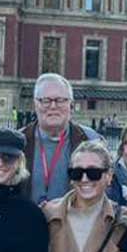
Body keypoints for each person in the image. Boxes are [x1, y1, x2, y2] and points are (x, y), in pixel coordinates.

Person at [23, 73, 99, 209]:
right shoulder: (19, 141)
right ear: (35, 104)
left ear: (71, 104)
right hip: (27, 225)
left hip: (75, 225)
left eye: (60, 100)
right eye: (45, 100)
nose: (53, 106)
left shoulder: (90, 140)